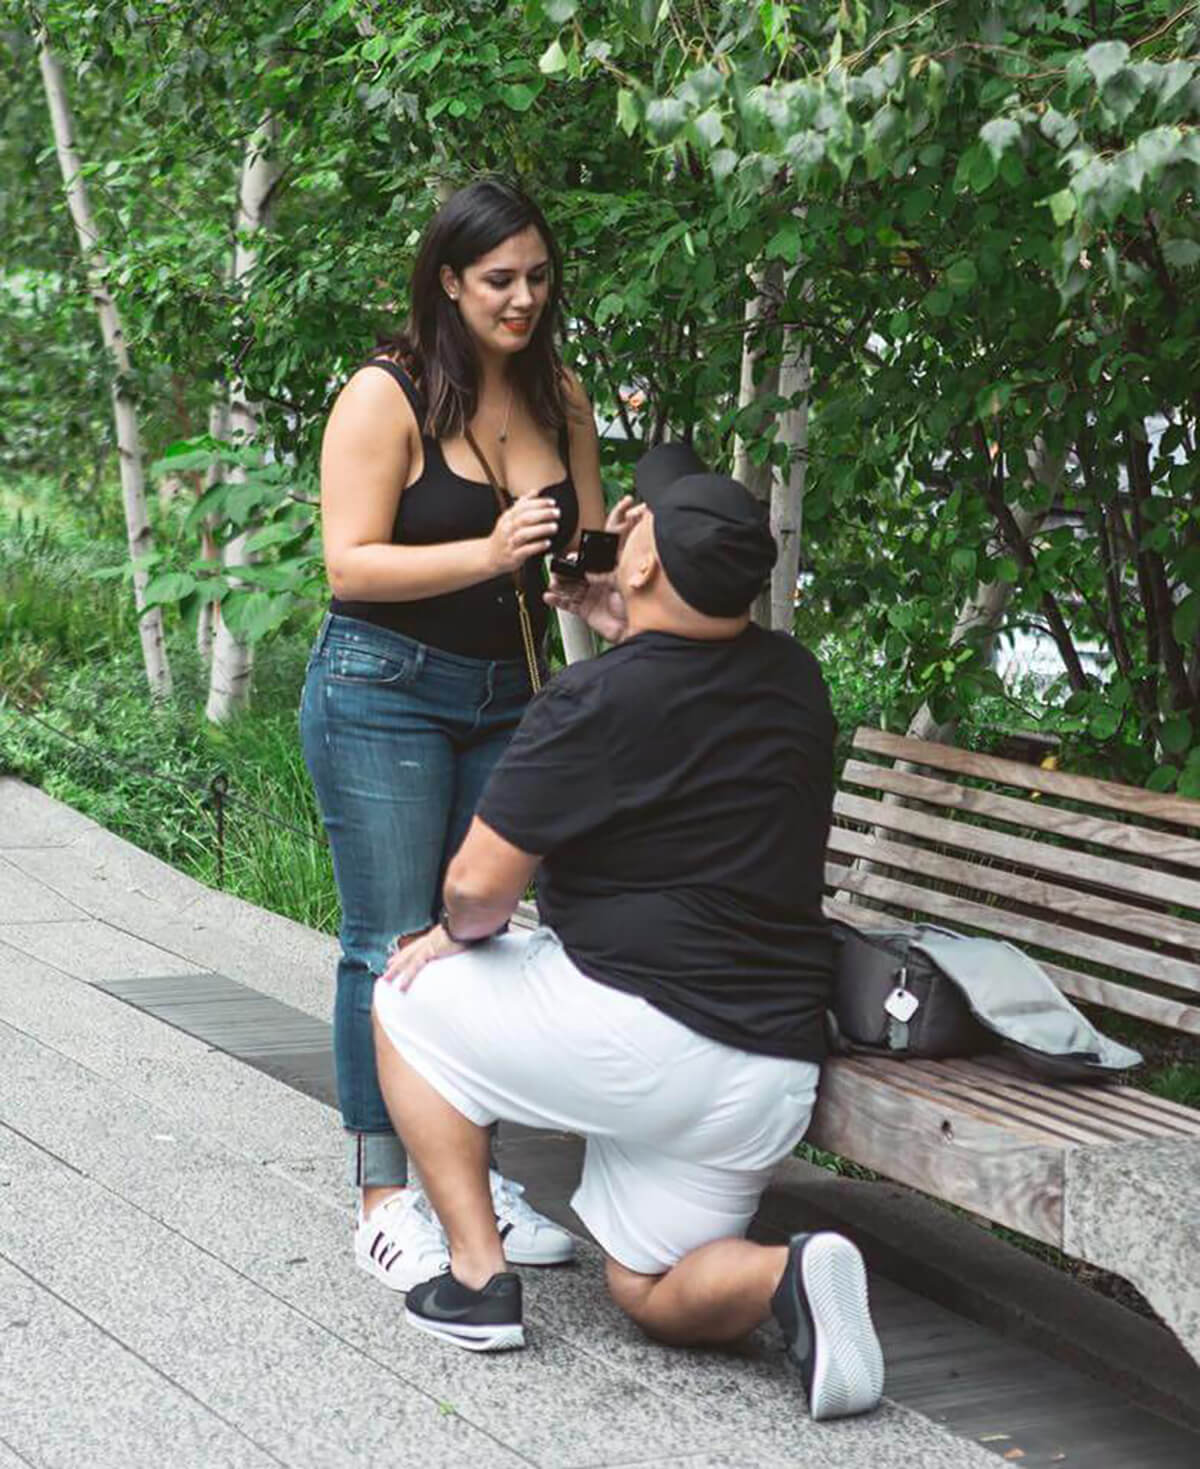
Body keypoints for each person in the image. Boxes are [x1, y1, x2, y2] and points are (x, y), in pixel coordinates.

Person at [370, 445, 885, 1421]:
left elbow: (479, 885)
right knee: (646, 1286)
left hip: (637, 1037)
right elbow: (690, 689)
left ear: (643, 561)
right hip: (766, 1066)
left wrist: (450, 933)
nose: (622, 523)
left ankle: (478, 1280)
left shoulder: (594, 698)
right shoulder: (794, 678)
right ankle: (792, 1274)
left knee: (404, 994)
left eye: (637, 517)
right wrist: (629, 625)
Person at [300, 176, 604, 1292]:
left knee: (476, 935)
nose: (522, 297)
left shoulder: (557, 394)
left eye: (537, 276)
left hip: (510, 694)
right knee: (387, 938)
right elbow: (349, 562)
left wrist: (594, 578)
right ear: (448, 281)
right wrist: (487, 553)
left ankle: (468, 1178)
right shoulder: (386, 395)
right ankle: (386, 1195)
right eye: (497, 280)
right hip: (385, 685)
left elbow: (581, 540)